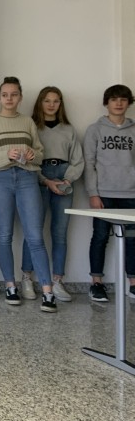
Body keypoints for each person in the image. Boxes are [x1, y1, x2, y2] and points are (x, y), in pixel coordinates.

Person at [0, 76, 57, 312]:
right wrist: (6, 156)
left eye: (14, 94)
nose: (9, 98)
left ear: (20, 97)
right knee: (4, 235)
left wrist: (32, 154)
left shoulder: (27, 122)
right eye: (5, 95)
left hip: (27, 179)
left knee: (35, 237)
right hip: (0, 180)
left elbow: (40, 154)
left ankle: (48, 291)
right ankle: (10, 286)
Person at [20, 86, 84, 302]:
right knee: (33, 232)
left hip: (64, 177)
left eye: (56, 101)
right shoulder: (31, 127)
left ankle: (57, 281)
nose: (51, 105)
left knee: (60, 232)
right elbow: (28, 160)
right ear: (40, 102)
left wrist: (67, 180)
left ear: (60, 104)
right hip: (38, 177)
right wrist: (45, 180)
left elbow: (78, 161)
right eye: (47, 100)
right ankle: (27, 278)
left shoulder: (69, 129)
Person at [83, 84, 135, 302]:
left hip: (131, 194)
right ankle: (96, 283)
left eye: (123, 99)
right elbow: (89, 163)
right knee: (100, 237)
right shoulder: (95, 130)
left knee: (132, 239)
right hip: (104, 193)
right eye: (114, 99)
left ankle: (133, 284)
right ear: (107, 103)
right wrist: (93, 193)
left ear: (129, 103)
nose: (119, 103)